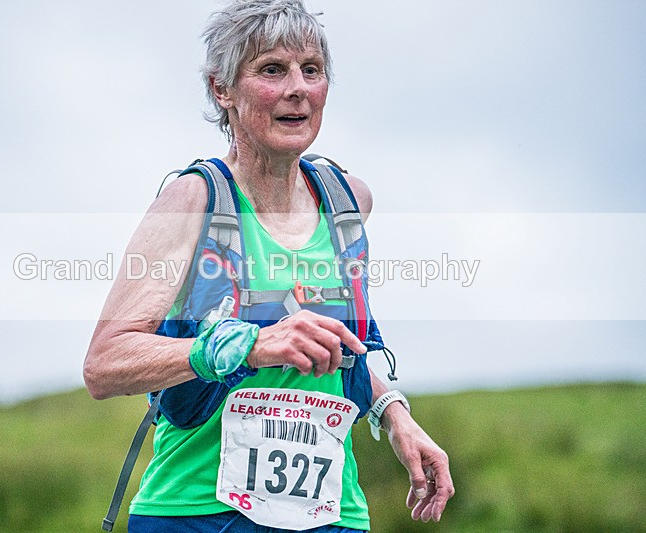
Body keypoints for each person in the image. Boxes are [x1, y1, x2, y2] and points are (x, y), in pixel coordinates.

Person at [84, 1, 454, 531]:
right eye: (271, 70)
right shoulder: (193, 201)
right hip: (197, 514)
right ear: (222, 89)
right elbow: (104, 363)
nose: (297, 88)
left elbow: (339, 346)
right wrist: (251, 345)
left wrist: (394, 414)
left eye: (312, 70)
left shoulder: (348, 205)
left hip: (332, 515)